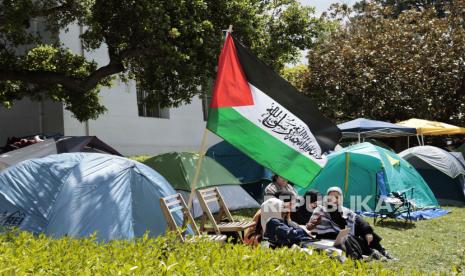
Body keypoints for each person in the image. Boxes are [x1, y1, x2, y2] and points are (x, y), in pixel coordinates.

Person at [307, 187, 395, 260]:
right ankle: (371, 252)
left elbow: (360, 220)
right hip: (328, 236)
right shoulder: (321, 209)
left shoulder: (345, 210)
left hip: (343, 236)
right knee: (350, 237)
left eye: (337, 197)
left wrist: (368, 232)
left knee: (363, 229)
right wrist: (313, 224)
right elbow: (311, 226)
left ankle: (382, 251)